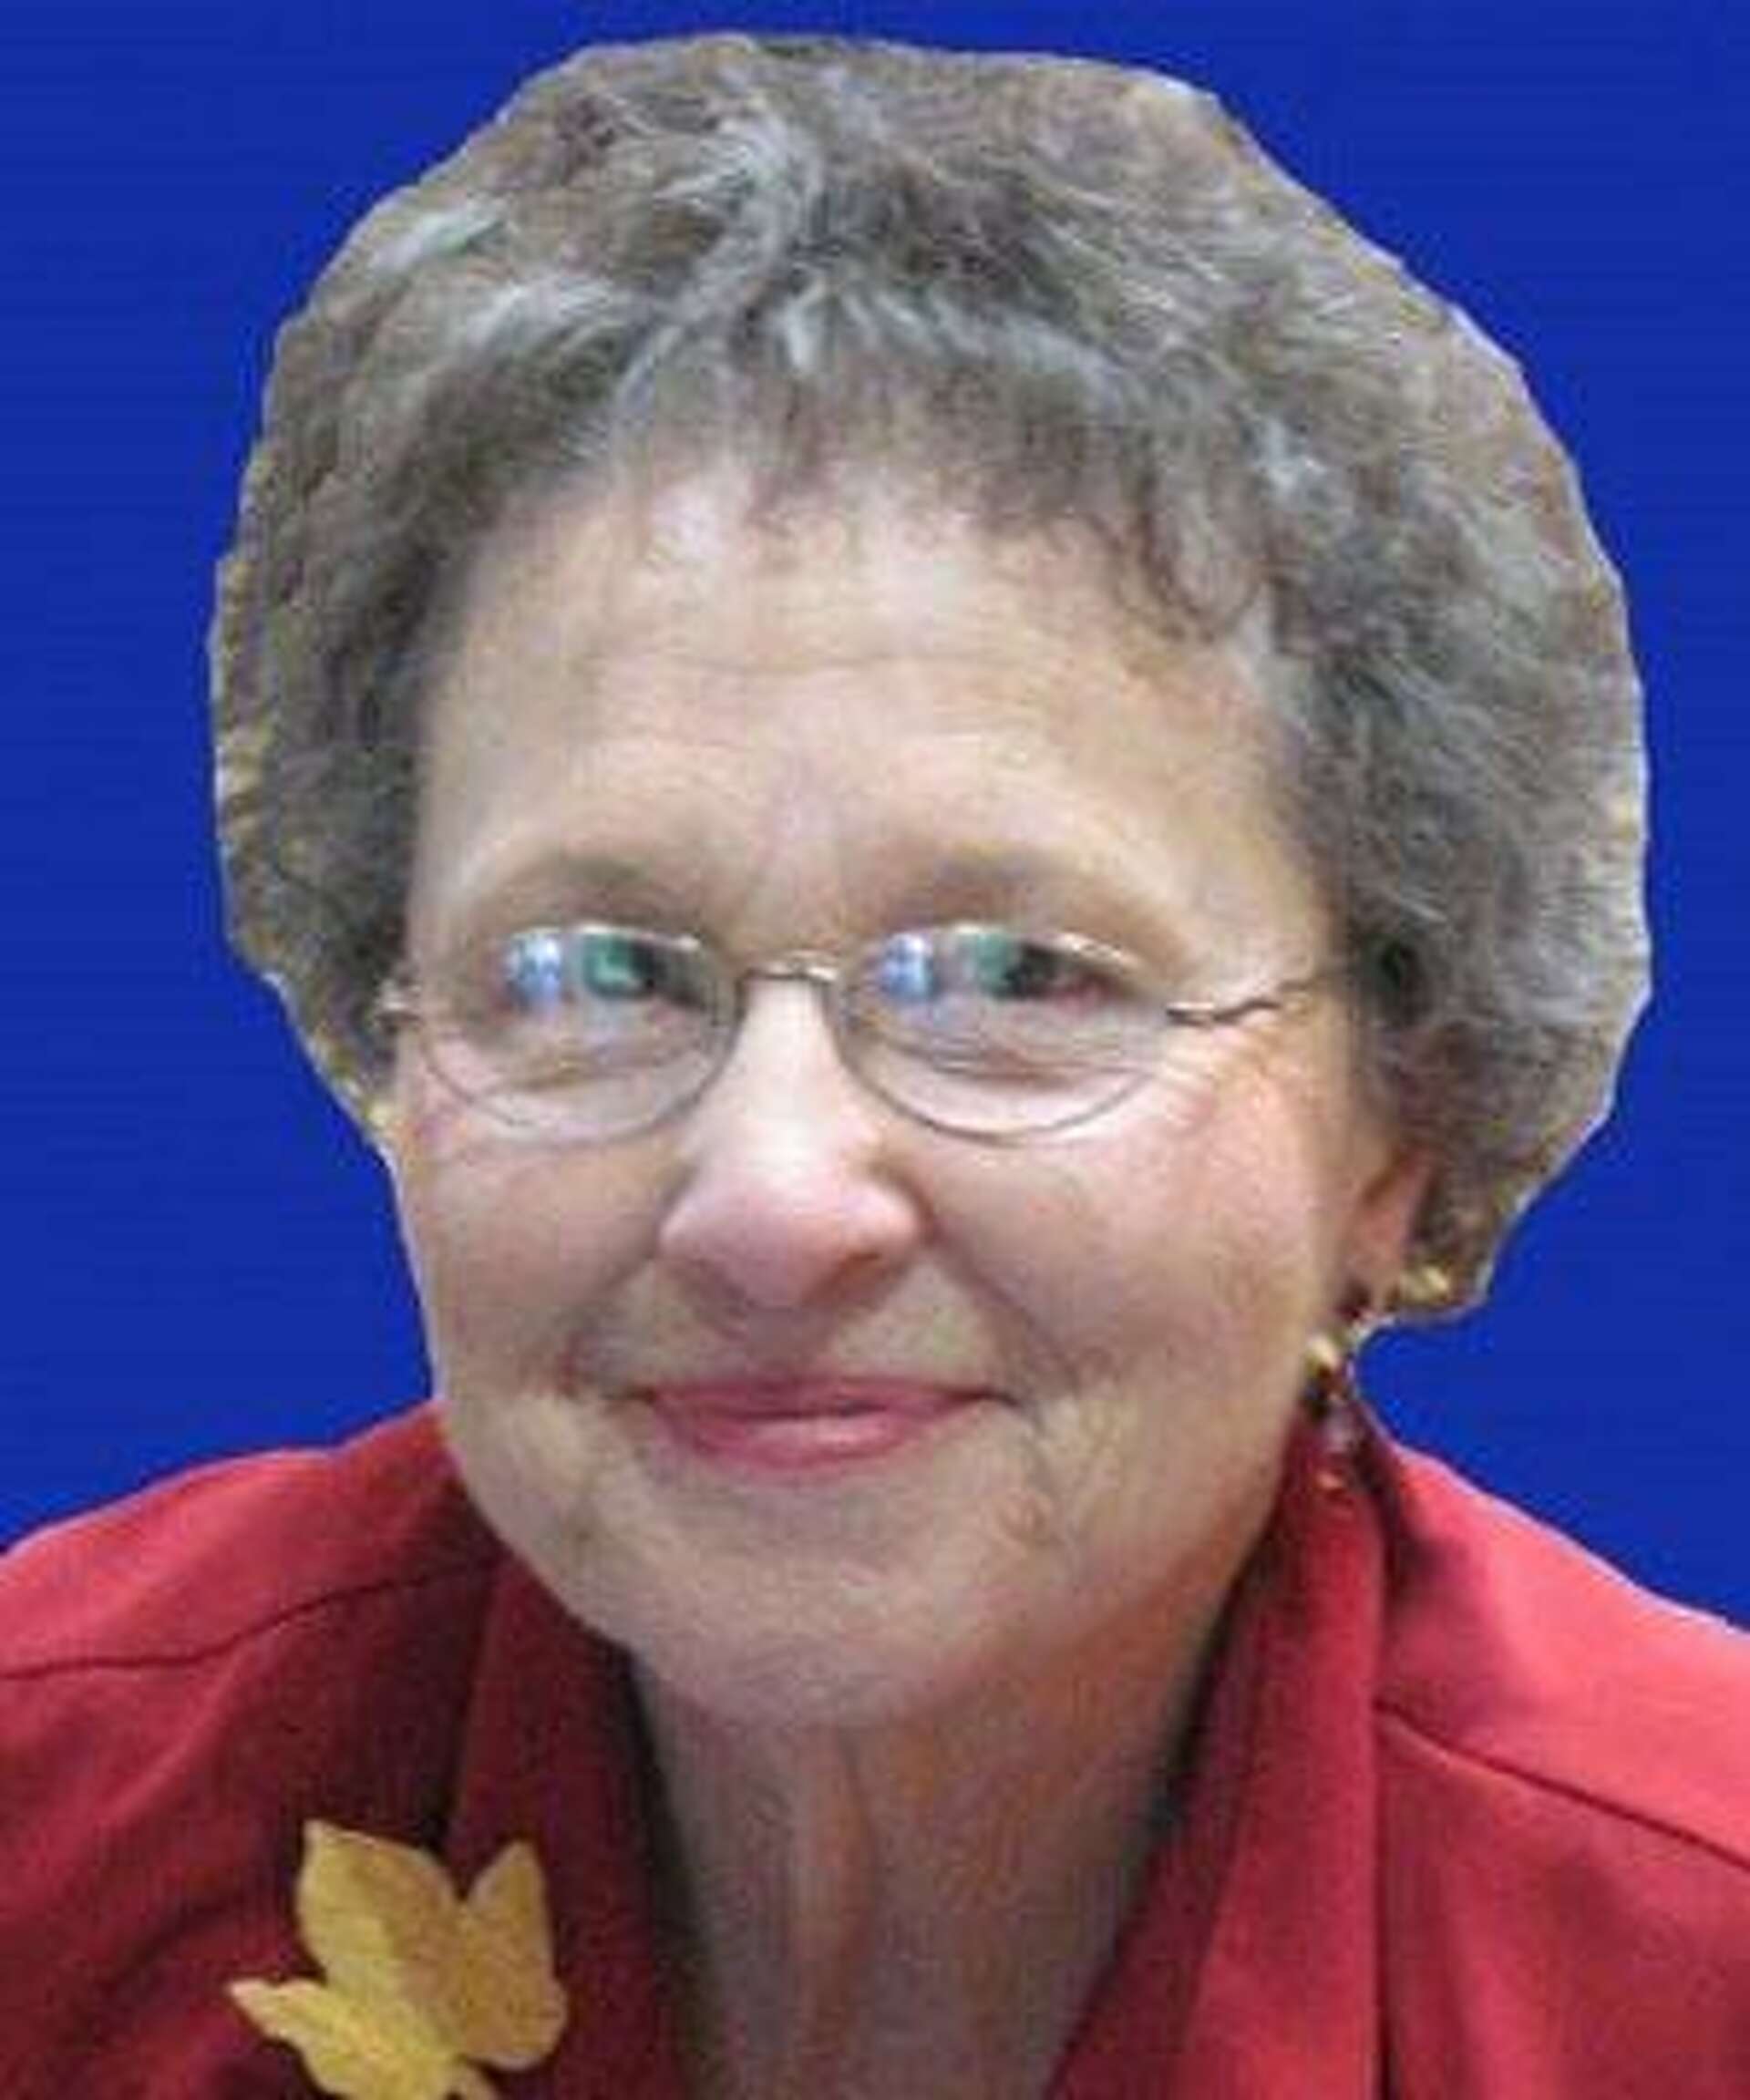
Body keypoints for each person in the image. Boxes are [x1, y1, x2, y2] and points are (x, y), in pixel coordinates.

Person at [2, 30, 1745, 2096]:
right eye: (588, 971)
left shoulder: (1690, 1958)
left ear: (1399, 1123)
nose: (770, 1200)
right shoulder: (54, 1816)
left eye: (1018, 974)